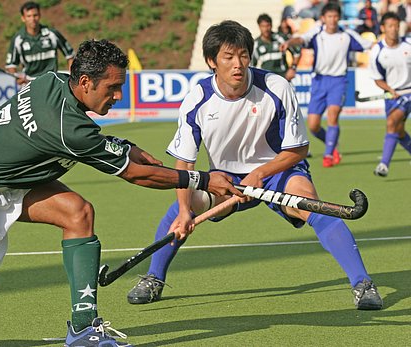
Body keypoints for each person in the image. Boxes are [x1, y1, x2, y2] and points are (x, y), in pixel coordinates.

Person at [0, 39, 240, 347]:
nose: (118, 96)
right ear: (85, 81)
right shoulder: (69, 130)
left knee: (78, 212)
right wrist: (204, 180)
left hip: (10, 180)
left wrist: (128, 146)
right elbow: (136, 176)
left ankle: (84, 329)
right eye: (113, 87)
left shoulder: (52, 81)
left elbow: (102, 144)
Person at [126, 20, 383, 313]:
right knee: (186, 205)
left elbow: (298, 149)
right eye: (228, 57)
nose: (238, 64)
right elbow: (185, 163)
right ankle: (154, 278)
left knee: (312, 205)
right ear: (212, 61)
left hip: (277, 171)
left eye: (243, 55)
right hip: (225, 178)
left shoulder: (276, 87)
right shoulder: (197, 98)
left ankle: (362, 284)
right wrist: (185, 211)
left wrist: (260, 173)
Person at [280, 3, 373, 167]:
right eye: (329, 16)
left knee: (333, 114)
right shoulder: (317, 33)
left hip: (339, 80)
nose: (332, 20)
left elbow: (369, 45)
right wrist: (289, 43)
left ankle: (328, 155)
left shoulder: (347, 35)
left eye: (335, 16)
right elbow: (301, 39)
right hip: (319, 81)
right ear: (323, 18)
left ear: (339, 18)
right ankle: (332, 144)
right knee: (313, 125)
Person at [369, 12, 411, 177]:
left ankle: (384, 165)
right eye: (390, 26)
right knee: (398, 130)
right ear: (383, 28)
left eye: (396, 26)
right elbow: (377, 79)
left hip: (409, 92)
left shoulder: (408, 44)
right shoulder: (377, 51)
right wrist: (389, 89)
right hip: (394, 95)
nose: (394, 29)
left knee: (392, 123)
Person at [5, 1, 75, 86]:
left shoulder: (51, 34)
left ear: (39, 16)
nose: (33, 19)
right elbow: (10, 65)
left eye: (35, 15)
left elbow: (70, 56)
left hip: (51, 82)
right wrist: (16, 78)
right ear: (23, 18)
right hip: (30, 84)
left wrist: (72, 77)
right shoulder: (18, 39)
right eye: (29, 16)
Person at [251, 13, 300, 82]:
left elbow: (297, 53)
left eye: (268, 26)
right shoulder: (256, 44)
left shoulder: (280, 38)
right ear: (259, 27)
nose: (266, 29)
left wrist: (293, 68)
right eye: (263, 26)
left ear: (271, 25)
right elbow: (252, 65)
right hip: (267, 79)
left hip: (283, 77)